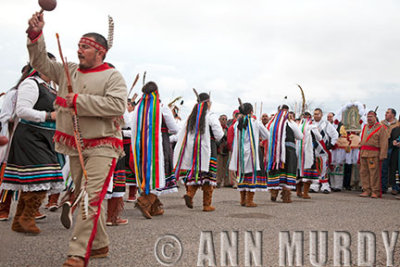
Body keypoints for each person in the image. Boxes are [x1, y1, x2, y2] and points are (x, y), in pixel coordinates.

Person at [26, 12, 127, 266]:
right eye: (79, 46)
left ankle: (78, 253)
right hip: (75, 145)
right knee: (87, 195)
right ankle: (100, 244)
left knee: (90, 197)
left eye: (85, 47)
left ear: (100, 52)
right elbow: (41, 63)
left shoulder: (113, 77)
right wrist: (36, 35)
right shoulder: (68, 71)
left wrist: (79, 102)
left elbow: (117, 105)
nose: (79, 50)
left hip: (103, 144)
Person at [0, 55, 64, 234]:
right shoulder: (31, 84)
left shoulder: (49, 88)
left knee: (36, 179)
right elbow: (21, 111)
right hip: (30, 136)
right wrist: (48, 116)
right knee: (40, 178)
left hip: (44, 137)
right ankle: (26, 217)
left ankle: (20, 221)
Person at [131, 82, 179, 219]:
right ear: (156, 92)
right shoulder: (161, 107)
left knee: (146, 173)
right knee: (158, 173)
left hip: (140, 146)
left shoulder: (137, 108)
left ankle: (154, 207)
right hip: (158, 143)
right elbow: (174, 128)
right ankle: (145, 202)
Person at [174, 92, 224, 211]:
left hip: (193, 151)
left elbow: (182, 133)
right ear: (207, 103)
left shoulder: (191, 117)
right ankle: (206, 205)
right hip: (208, 149)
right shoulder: (210, 115)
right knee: (208, 176)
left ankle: (190, 195)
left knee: (197, 174)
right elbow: (219, 133)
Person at [229, 102, 269, 207]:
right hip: (252, 153)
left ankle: (242, 200)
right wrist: (259, 137)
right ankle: (249, 200)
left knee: (242, 175)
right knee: (251, 175)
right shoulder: (255, 122)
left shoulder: (237, 123)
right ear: (251, 111)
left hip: (241, 153)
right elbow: (267, 135)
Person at [267, 105, 303, 203]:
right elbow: (300, 136)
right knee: (288, 171)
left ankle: (274, 192)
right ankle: (286, 195)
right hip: (289, 151)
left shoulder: (272, 123)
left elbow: (267, 134)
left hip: (275, 152)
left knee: (276, 170)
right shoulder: (291, 123)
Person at [359, 111, 388, 198]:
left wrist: (382, 155)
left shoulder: (381, 128)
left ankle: (375, 191)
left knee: (374, 173)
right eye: (368, 117)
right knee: (364, 172)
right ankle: (366, 190)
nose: (369, 118)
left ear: (375, 117)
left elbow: (384, 142)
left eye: (371, 117)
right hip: (364, 153)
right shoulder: (365, 127)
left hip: (374, 154)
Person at [310, 108, 338, 193]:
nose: (316, 115)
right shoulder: (310, 124)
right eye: (314, 114)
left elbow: (335, 134)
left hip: (323, 150)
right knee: (314, 168)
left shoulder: (326, 124)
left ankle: (325, 186)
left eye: (318, 114)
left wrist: (332, 144)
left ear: (321, 115)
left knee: (323, 168)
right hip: (312, 150)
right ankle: (314, 185)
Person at [296, 112, 322, 199]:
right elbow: (319, 137)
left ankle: (299, 191)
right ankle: (305, 193)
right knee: (309, 170)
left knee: (299, 170)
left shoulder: (298, 126)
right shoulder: (312, 126)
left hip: (298, 152)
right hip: (308, 151)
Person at [380, 108, 398, 194]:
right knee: (384, 168)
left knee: (394, 168)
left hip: (394, 149)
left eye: (387, 113)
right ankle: (383, 187)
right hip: (384, 147)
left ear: (393, 115)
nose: (385, 114)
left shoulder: (397, 124)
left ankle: (395, 187)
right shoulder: (381, 123)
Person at [216, 115, 229, 187]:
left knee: (226, 167)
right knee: (219, 167)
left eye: (225, 119)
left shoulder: (228, 129)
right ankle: (218, 181)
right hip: (219, 150)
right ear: (219, 120)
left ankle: (226, 182)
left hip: (226, 149)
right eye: (222, 119)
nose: (224, 120)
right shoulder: (217, 129)